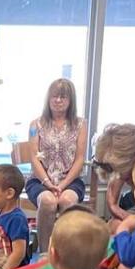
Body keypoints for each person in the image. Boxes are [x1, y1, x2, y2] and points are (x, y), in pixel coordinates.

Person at [25, 79, 88, 252]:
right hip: (40, 179)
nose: (58, 100)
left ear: (70, 100)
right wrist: (48, 183)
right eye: (54, 96)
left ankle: (66, 252)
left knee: (67, 200)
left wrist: (62, 185)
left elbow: (80, 159)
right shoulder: (35, 124)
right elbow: (34, 157)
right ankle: (45, 253)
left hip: (70, 180)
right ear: (48, 98)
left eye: (63, 97)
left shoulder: (81, 124)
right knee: (48, 201)